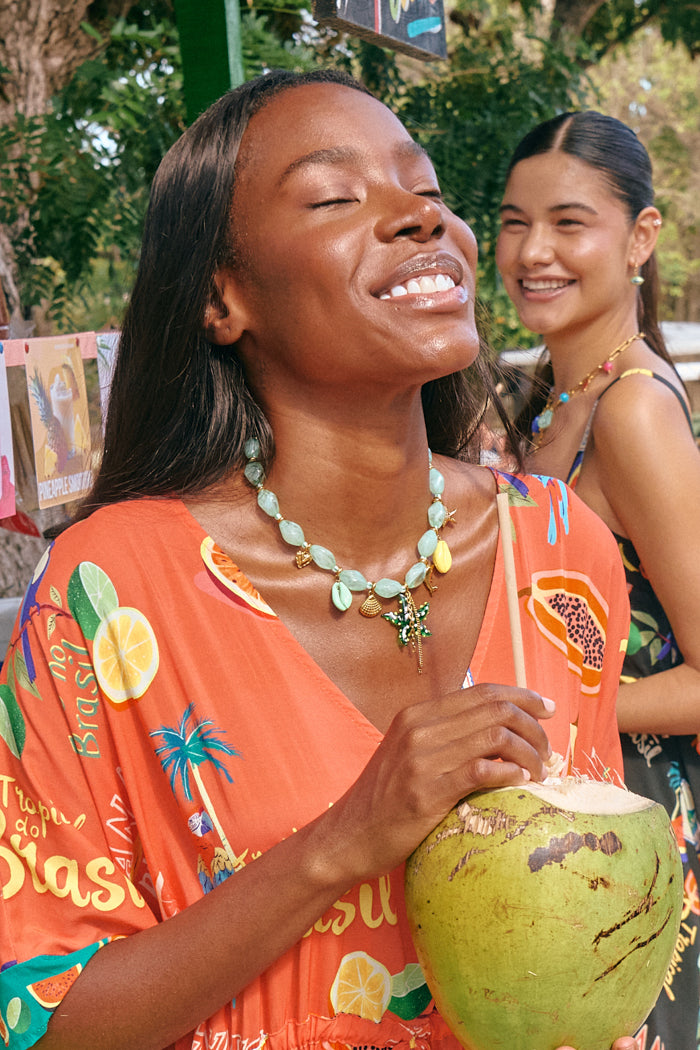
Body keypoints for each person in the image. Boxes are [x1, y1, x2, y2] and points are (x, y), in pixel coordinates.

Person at [0, 71, 634, 1050]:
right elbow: (41, 1021)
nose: (419, 222)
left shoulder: (558, 550)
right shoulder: (107, 599)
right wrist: (338, 844)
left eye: (426, 194)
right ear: (222, 296)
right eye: (336, 197)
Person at [496, 109, 700, 1050]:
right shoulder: (550, 398)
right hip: (566, 824)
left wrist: (557, 712)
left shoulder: (635, 413)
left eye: (569, 223)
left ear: (641, 237)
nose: (534, 251)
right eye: (511, 222)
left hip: (640, 831)